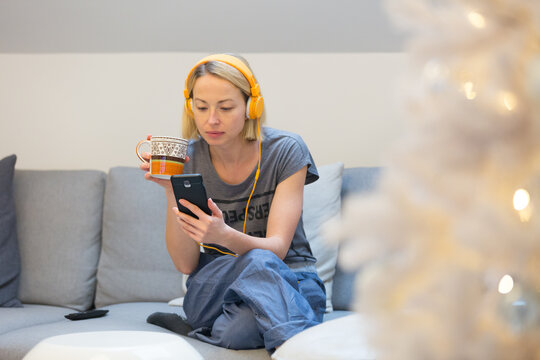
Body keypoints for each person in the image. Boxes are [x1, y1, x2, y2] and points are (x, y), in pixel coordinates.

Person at [140, 53, 326, 352]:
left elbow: (277, 250)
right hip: (217, 283)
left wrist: (223, 235)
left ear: (252, 107)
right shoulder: (186, 157)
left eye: (226, 107)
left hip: (291, 275)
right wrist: (170, 190)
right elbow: (185, 264)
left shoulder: (286, 151)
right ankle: (303, 350)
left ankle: (201, 330)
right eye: (201, 107)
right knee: (256, 263)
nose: (211, 119)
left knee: (237, 332)